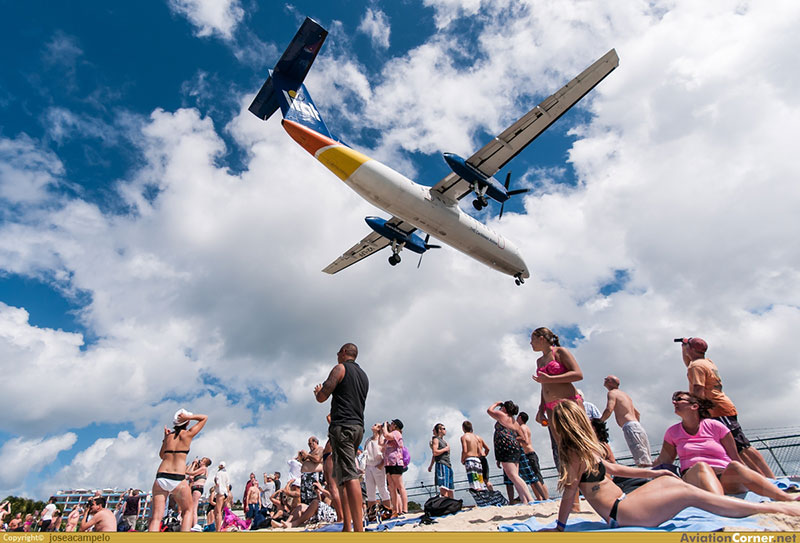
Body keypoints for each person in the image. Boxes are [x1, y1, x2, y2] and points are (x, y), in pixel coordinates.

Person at [542, 400, 800, 531]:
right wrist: (560, 527)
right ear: (577, 423)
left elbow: (618, 470)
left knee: (669, 481)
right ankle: (771, 507)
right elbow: (569, 492)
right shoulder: (574, 453)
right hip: (621, 514)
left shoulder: (587, 449)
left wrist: (655, 471)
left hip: (625, 504)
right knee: (686, 492)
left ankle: (752, 505)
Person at [652, 392, 798, 502]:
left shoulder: (715, 426)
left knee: (735, 466)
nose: (674, 402)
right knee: (702, 466)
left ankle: (785, 498)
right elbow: (665, 461)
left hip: (724, 475)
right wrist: (646, 468)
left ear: (694, 406)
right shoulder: (672, 432)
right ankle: (721, 505)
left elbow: (734, 456)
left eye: (679, 399)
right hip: (695, 476)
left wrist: (744, 471)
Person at [677, 337, 774, 477]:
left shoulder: (696, 366)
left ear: (690, 349)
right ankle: (759, 477)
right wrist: (684, 348)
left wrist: (698, 409)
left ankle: (769, 478)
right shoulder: (705, 362)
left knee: (742, 446)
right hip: (720, 408)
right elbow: (689, 363)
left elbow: (698, 388)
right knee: (733, 447)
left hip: (717, 410)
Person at [314, 342, 369, 532]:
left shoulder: (340, 368)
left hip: (343, 427)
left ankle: (358, 530)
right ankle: (347, 526)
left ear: (344, 352)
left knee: (349, 475)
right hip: (358, 427)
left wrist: (318, 392)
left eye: (338, 352)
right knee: (342, 479)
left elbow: (323, 396)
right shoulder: (364, 376)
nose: (337, 355)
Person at [530, 327, 584, 469]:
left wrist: (550, 379)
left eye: (532, 339)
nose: (531, 343)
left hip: (568, 402)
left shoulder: (560, 352)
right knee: (562, 448)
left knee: (579, 442)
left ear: (541, 338)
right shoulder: (539, 361)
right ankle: (575, 481)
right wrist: (541, 408)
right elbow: (543, 385)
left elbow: (578, 374)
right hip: (550, 407)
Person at [148, 409, 207, 532]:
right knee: (188, 511)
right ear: (186, 422)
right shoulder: (187, 434)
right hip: (177, 478)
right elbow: (204, 418)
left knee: (156, 518)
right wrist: (189, 417)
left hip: (161, 476)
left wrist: (165, 438)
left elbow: (161, 455)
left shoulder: (168, 437)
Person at [600, 375, 652, 466]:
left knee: (641, 460)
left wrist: (599, 422)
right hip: (637, 426)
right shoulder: (625, 395)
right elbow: (637, 413)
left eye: (606, 379)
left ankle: (647, 478)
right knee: (645, 457)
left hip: (630, 426)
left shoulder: (612, 393)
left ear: (611, 382)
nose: (604, 380)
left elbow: (609, 409)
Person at [488, 400, 533, 504]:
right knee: (515, 476)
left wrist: (496, 403)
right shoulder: (515, 422)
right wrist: (513, 438)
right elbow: (523, 438)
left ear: (504, 409)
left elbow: (489, 410)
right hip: (515, 448)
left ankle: (530, 498)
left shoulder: (502, 415)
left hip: (505, 447)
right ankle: (524, 499)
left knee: (513, 476)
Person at [516, 412, 549, 500]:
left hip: (529, 454)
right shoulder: (525, 427)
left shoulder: (522, 427)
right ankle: (540, 498)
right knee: (532, 480)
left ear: (519, 417)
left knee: (537, 478)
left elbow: (525, 440)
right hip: (528, 455)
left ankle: (546, 498)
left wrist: (514, 438)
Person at [363, 422, 391, 518]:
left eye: (376, 425)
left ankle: (387, 510)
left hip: (378, 466)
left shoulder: (382, 440)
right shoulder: (368, 440)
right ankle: (372, 514)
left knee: (382, 488)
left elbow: (386, 453)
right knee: (370, 491)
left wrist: (381, 464)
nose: (373, 425)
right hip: (368, 466)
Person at [381, 419, 408, 517]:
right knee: (391, 487)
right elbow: (382, 443)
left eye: (392, 424)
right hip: (388, 463)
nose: (390, 425)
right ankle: (395, 509)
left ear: (395, 426)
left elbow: (387, 435)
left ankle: (405, 509)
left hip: (396, 462)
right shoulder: (390, 436)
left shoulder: (397, 433)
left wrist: (384, 426)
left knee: (400, 486)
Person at [427, 423, 455, 498]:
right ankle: (445, 504)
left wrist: (430, 466)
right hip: (441, 464)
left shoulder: (444, 441)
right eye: (443, 429)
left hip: (448, 464)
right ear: (439, 430)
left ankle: (452, 505)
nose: (445, 430)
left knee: (450, 488)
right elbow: (435, 452)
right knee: (444, 487)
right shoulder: (436, 440)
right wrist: (445, 449)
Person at [461, 420, 490, 491]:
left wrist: (462, 459)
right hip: (477, 460)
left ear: (463, 428)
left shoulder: (464, 437)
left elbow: (465, 450)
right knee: (480, 482)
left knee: (474, 483)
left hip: (470, 460)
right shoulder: (476, 437)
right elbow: (480, 450)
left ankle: (479, 497)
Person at [299, 436, 325, 505]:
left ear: (315, 442)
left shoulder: (320, 449)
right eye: (308, 444)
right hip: (306, 477)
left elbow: (317, 459)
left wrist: (307, 455)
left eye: (310, 443)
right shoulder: (311, 452)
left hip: (314, 476)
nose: (309, 445)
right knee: (306, 498)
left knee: (315, 496)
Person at [187, 457, 210, 531]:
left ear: (204, 463)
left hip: (197, 488)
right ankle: (192, 524)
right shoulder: (201, 470)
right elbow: (188, 475)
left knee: (194, 508)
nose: (200, 461)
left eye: (202, 461)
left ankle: (195, 525)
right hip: (195, 488)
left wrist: (194, 464)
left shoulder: (204, 469)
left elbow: (190, 472)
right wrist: (192, 464)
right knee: (192, 507)